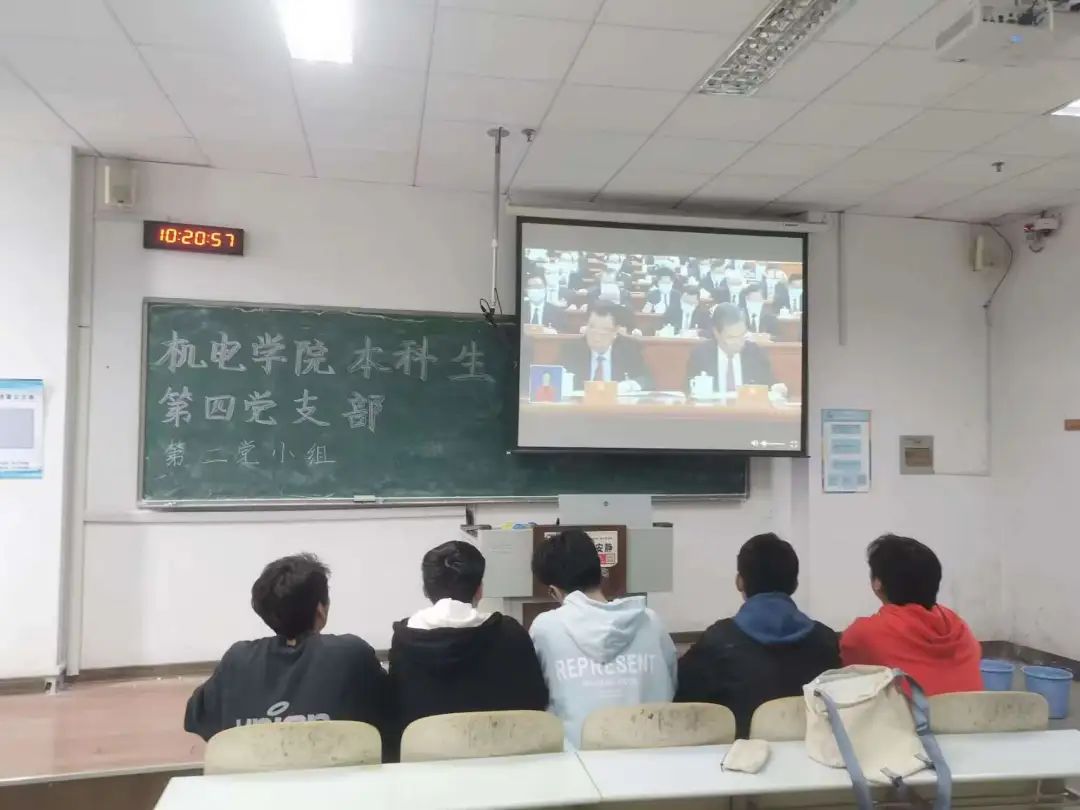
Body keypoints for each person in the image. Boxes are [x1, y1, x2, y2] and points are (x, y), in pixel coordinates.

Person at [184, 554, 387, 743]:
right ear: (320, 611)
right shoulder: (351, 654)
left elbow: (197, 718)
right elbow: (391, 714)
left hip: (255, 770)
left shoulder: (237, 660)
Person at [388, 541, 548, 756]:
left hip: (426, 765)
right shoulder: (510, 634)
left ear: (426, 589)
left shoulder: (404, 639)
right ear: (480, 590)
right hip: (502, 762)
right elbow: (535, 703)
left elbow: (395, 713)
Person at [675, 534, 839, 738]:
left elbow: (683, 707)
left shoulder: (717, 642)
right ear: (795, 584)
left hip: (738, 756)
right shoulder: (826, 641)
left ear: (739, 582)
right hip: (811, 754)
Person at [530, 529, 677, 748]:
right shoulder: (650, 621)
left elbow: (535, 698)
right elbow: (672, 684)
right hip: (652, 757)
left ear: (553, 591)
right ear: (601, 574)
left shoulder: (545, 628)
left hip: (575, 761)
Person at [840, 535, 982, 694]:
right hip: (971, 710)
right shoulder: (960, 628)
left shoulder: (863, 634)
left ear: (877, 583)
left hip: (913, 711)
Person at [560, 302, 652, 392]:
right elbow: (557, 379)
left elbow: (646, 380)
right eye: (592, 327)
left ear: (615, 332)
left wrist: (628, 385)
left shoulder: (629, 349)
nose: (596, 335)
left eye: (604, 330)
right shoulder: (571, 349)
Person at [687, 303, 775, 396]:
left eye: (742, 335)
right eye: (732, 337)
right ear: (716, 333)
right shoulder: (700, 356)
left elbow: (770, 387)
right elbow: (688, 392)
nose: (739, 342)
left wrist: (777, 388)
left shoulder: (756, 354)